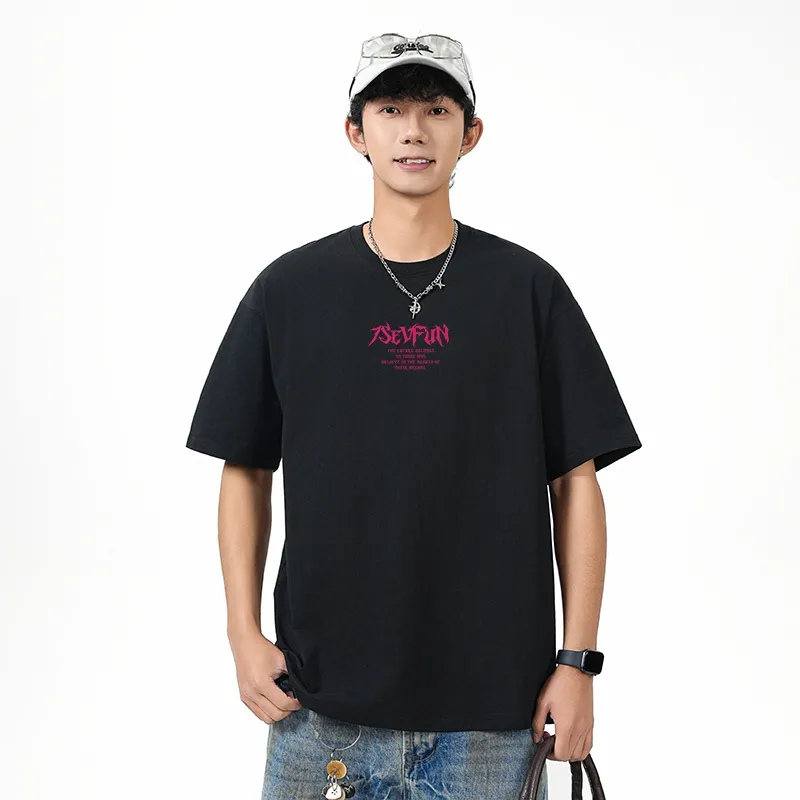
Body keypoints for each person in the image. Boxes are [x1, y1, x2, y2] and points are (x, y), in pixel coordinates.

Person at [185, 32, 642, 800]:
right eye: (391, 109)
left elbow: (577, 481)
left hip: (493, 712)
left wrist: (578, 663)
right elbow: (244, 467)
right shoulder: (289, 290)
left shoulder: (527, 290)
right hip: (319, 705)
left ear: (471, 134)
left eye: (437, 110)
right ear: (355, 133)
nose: (414, 130)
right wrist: (241, 633)